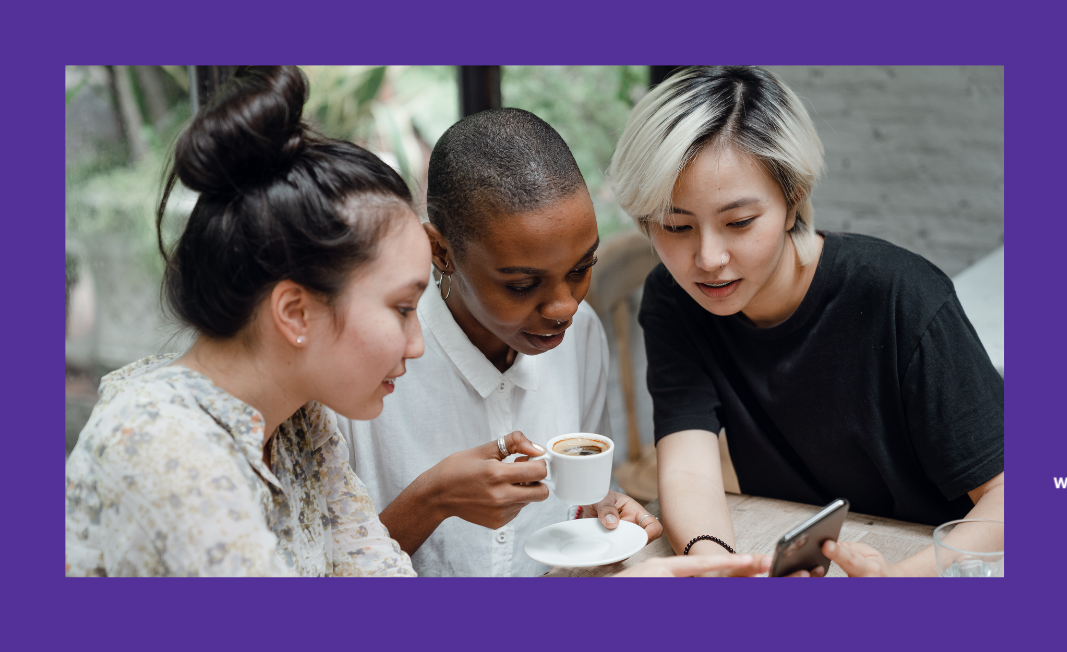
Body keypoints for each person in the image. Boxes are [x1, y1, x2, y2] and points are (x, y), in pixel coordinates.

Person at [609, 66, 1005, 577]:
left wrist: (896, 583)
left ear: (792, 199)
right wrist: (718, 568)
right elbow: (688, 469)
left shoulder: (899, 295)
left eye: (739, 223)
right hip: (796, 555)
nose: (707, 258)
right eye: (675, 226)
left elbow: (1006, 496)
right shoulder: (675, 297)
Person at [64, 66, 428, 576]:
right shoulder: (163, 443)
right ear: (295, 312)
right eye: (404, 309)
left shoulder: (297, 420)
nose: (417, 345)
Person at [337, 108, 661, 577]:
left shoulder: (582, 333)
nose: (564, 307)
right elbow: (322, 573)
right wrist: (432, 501)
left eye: (580, 270)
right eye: (522, 285)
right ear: (441, 252)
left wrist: (603, 510)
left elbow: (580, 507)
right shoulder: (365, 366)